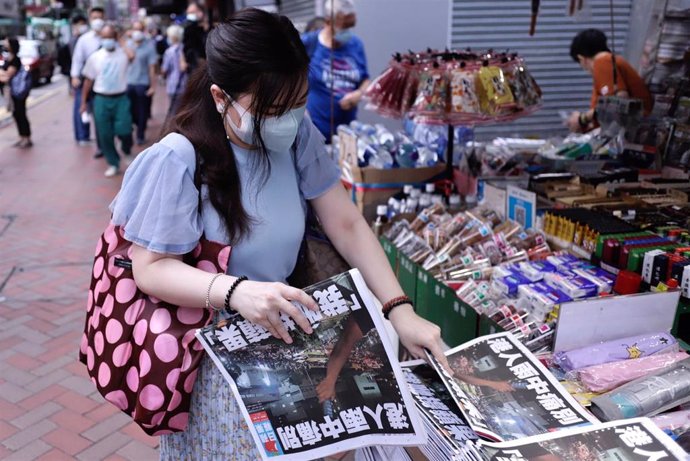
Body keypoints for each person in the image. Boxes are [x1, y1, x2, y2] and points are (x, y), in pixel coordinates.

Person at [108, 9, 448, 459]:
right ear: (220, 97)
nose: (288, 119)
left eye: (298, 103)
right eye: (272, 110)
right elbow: (150, 270)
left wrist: (399, 309)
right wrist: (235, 293)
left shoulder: (296, 135)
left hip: (283, 336)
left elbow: (345, 222)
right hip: (209, 359)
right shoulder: (177, 158)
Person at [301, 0, 370, 141]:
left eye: (351, 26)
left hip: (347, 133)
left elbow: (365, 79)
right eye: (344, 26)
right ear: (328, 21)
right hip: (315, 132)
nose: (348, 32)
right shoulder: (308, 44)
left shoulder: (356, 45)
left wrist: (359, 94)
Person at [567, 28, 653, 132]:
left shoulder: (602, 62)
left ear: (581, 58)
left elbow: (617, 103)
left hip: (635, 130)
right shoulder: (609, 61)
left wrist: (582, 119)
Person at [80, 25, 134, 177]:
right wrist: (83, 103)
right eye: (105, 37)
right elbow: (88, 81)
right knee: (104, 134)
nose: (108, 40)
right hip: (101, 99)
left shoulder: (123, 54)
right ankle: (113, 163)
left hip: (121, 98)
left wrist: (120, 41)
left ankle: (126, 149)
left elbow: (132, 56)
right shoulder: (95, 57)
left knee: (125, 129)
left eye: (111, 37)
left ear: (115, 37)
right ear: (101, 39)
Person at [71, 7, 105, 149]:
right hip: (85, 79)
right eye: (94, 17)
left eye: (100, 17)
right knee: (81, 107)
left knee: (100, 112)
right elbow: (77, 59)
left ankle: (102, 141)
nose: (97, 20)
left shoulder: (109, 36)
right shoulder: (84, 40)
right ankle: (82, 136)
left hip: (102, 81)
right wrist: (74, 76)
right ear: (90, 19)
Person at [124, 21, 158, 145]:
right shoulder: (127, 45)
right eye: (135, 29)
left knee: (142, 110)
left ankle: (140, 134)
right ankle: (136, 124)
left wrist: (153, 86)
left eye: (139, 29)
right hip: (128, 83)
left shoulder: (149, 46)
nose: (137, 32)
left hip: (142, 83)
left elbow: (152, 68)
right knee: (130, 111)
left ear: (143, 30)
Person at [0, 38, 33, 148]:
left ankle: (26, 137)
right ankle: (22, 137)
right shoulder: (9, 58)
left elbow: (7, 76)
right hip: (12, 91)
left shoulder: (15, 60)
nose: (4, 44)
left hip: (18, 91)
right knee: (16, 114)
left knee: (20, 113)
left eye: (7, 43)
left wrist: (2, 74)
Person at [161, 24, 187, 117]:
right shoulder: (185, 48)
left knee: (174, 112)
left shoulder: (169, 52)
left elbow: (165, 69)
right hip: (186, 83)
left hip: (173, 85)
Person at [181, 2, 207, 74]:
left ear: (201, 12)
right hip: (194, 66)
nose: (190, 15)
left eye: (192, 12)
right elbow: (185, 46)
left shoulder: (208, 29)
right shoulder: (189, 29)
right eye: (188, 13)